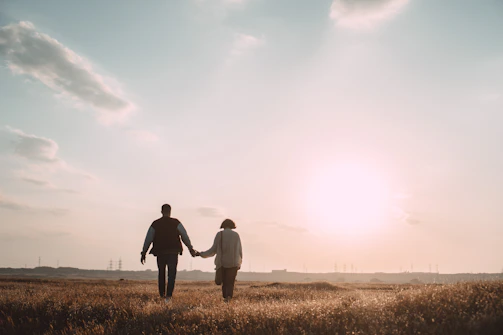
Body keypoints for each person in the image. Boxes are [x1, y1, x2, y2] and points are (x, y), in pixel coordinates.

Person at [141, 204, 197, 302]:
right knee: (172, 274)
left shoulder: (155, 224)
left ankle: (162, 296)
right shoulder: (176, 223)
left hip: (160, 252)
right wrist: (190, 248)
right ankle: (168, 297)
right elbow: (184, 236)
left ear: (161, 211)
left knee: (161, 273)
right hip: (173, 252)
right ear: (170, 211)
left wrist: (144, 252)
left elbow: (148, 238)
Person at [197, 219, 242, 302]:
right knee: (230, 283)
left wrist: (201, 254)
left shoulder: (219, 234)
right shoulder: (236, 235)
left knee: (223, 283)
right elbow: (239, 251)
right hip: (233, 264)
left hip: (222, 264)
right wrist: (239, 263)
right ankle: (228, 299)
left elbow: (213, 250)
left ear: (223, 226)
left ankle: (225, 298)